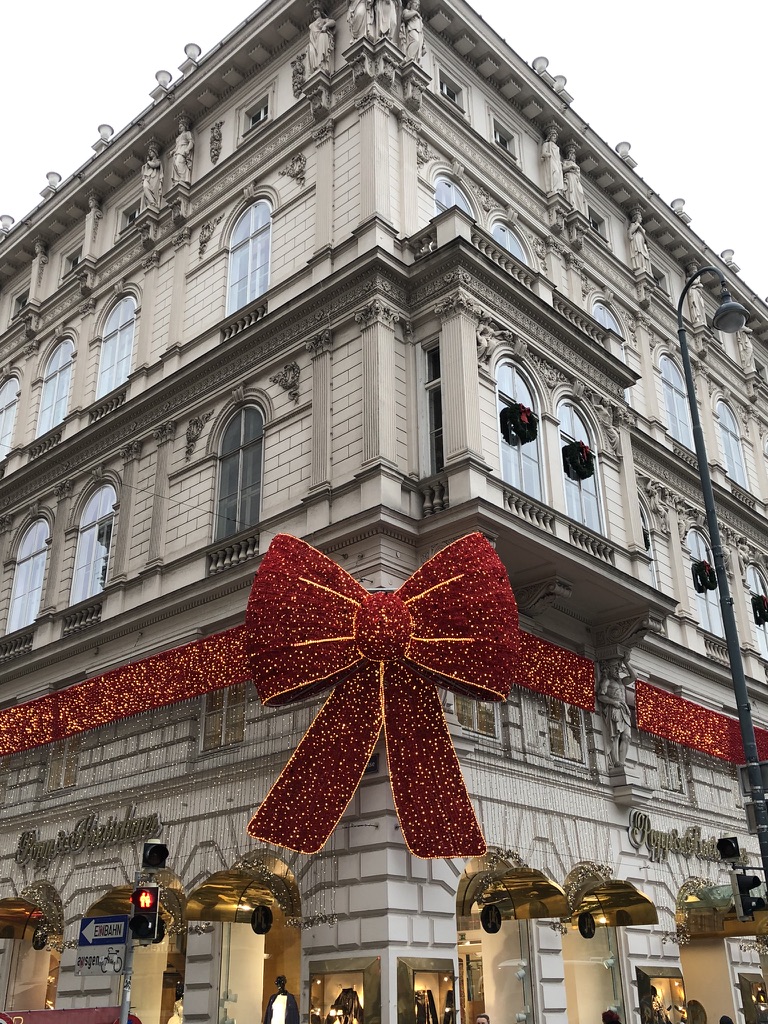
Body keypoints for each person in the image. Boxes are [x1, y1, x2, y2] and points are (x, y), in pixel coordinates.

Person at [307, 4, 336, 73]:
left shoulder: (324, 20)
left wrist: (325, 25)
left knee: (322, 36)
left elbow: (333, 22)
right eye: (313, 12)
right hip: (314, 43)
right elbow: (311, 36)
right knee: (310, 48)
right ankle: (317, 66)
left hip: (321, 39)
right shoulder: (311, 25)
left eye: (316, 11)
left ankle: (324, 64)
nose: (315, 13)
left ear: (320, 12)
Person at [562, 143, 588, 216]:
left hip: (575, 180)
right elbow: (563, 169)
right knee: (570, 191)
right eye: (572, 154)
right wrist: (571, 168)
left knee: (578, 193)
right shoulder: (566, 162)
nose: (573, 156)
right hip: (569, 177)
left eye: (574, 155)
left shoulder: (576, 165)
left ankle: (576, 207)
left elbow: (578, 175)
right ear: (569, 155)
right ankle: (571, 205)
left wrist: (573, 169)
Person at [171, 116, 194, 186]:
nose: (180, 127)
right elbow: (176, 146)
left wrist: (187, 149)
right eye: (179, 126)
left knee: (179, 163)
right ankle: (178, 179)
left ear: (185, 126)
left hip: (183, 150)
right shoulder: (177, 138)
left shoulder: (187, 133)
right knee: (175, 164)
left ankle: (183, 178)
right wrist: (172, 151)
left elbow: (191, 142)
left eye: (181, 126)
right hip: (178, 151)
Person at [628, 209, 652, 275]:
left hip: (642, 241)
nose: (641, 218)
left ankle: (644, 266)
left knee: (644, 253)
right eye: (640, 217)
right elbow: (630, 232)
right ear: (636, 218)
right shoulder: (634, 224)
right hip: (637, 239)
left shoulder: (640, 226)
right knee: (639, 251)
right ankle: (639, 265)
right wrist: (637, 226)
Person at [541, 125, 564, 194]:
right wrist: (548, 155)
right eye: (553, 136)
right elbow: (543, 154)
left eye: (556, 137)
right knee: (555, 173)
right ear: (550, 136)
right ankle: (553, 189)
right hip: (550, 161)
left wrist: (560, 163)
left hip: (557, 162)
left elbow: (558, 157)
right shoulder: (546, 144)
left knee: (558, 174)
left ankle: (557, 190)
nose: (555, 138)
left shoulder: (557, 147)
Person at [141, 141, 163, 209]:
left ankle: (153, 202)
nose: (150, 153)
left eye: (151, 151)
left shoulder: (158, 161)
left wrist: (148, 162)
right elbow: (143, 173)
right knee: (145, 186)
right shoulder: (148, 163)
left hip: (154, 179)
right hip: (148, 178)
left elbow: (154, 165)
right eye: (149, 152)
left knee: (153, 191)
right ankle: (151, 202)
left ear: (155, 152)